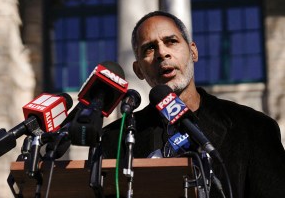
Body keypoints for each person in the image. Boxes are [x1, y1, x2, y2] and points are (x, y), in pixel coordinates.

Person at [101, 11, 285, 198]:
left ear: (193, 51)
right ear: (138, 69)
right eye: (149, 48)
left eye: (171, 41)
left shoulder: (254, 128)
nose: (162, 53)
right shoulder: (115, 139)